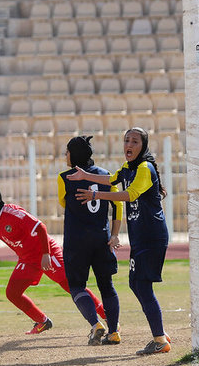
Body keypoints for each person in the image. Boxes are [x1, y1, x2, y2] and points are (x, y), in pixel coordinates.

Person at [67, 127, 171, 355]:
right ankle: (159, 331)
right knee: (136, 284)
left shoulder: (145, 168)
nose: (129, 145)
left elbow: (129, 194)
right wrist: (86, 176)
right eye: (126, 140)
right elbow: (111, 179)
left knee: (142, 285)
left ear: (143, 146)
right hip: (141, 237)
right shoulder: (127, 168)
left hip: (152, 236)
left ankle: (160, 339)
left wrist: (96, 194)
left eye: (134, 141)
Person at [0, 186, 106, 334]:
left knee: (72, 286)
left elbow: (40, 228)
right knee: (12, 293)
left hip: (47, 252)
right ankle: (42, 321)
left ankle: (108, 318)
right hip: (28, 259)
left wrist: (46, 255)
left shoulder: (11, 213)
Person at [57, 136, 123, 346]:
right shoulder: (106, 176)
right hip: (102, 238)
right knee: (107, 285)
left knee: (77, 286)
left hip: (77, 241)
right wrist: (114, 233)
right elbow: (118, 205)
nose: (65, 155)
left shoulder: (64, 177)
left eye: (67, 152)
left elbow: (63, 202)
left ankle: (96, 324)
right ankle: (114, 332)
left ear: (73, 154)